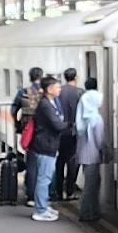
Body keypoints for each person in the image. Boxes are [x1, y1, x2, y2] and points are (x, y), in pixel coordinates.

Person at [30, 75, 66, 223]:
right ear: (50, 89)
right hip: (45, 145)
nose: (59, 89)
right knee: (44, 179)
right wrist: (70, 126)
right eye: (57, 87)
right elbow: (57, 124)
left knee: (45, 177)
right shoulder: (46, 105)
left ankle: (42, 205)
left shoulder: (50, 102)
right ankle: (40, 210)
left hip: (47, 144)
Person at [74, 78, 106, 222]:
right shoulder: (96, 119)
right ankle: (85, 212)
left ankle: (94, 211)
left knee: (92, 183)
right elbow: (99, 141)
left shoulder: (83, 118)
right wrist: (107, 151)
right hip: (92, 156)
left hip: (83, 155)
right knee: (91, 186)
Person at [13, 68, 43, 207]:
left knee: (31, 165)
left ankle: (30, 195)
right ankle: (44, 196)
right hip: (44, 133)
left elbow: (14, 109)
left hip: (28, 132)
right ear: (41, 77)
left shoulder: (23, 92)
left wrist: (18, 125)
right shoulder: (46, 92)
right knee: (45, 166)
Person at [52, 68, 81, 202]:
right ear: (75, 78)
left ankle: (58, 192)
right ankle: (69, 191)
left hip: (59, 132)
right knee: (72, 162)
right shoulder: (80, 93)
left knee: (59, 161)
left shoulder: (58, 92)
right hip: (73, 132)